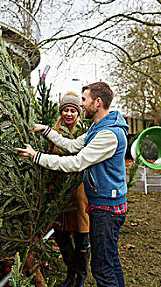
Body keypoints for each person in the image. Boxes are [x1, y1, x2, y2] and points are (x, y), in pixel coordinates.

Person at [17, 82, 129, 287]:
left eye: (84, 100)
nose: (81, 105)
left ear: (98, 102)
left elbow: (76, 162)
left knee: (102, 267)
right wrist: (46, 130)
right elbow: (71, 145)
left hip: (108, 208)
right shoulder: (98, 127)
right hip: (102, 204)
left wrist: (36, 157)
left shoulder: (108, 134)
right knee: (110, 260)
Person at [48, 93, 90, 287]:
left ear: (78, 113)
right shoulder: (53, 132)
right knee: (62, 235)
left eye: (73, 110)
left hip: (79, 193)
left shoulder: (85, 133)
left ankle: (81, 277)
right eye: (66, 110)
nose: (69, 114)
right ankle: (70, 273)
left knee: (81, 236)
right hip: (58, 192)